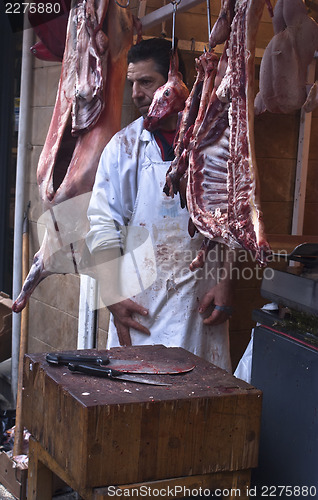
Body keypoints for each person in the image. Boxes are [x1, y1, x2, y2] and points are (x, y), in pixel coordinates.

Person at [86, 38, 234, 372]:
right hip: (140, 305)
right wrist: (111, 293)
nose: (136, 93)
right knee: (139, 396)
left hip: (200, 299)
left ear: (174, 78)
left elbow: (228, 220)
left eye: (146, 82)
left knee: (196, 401)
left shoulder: (210, 141)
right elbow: (102, 224)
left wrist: (225, 282)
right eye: (132, 83)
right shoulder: (124, 147)